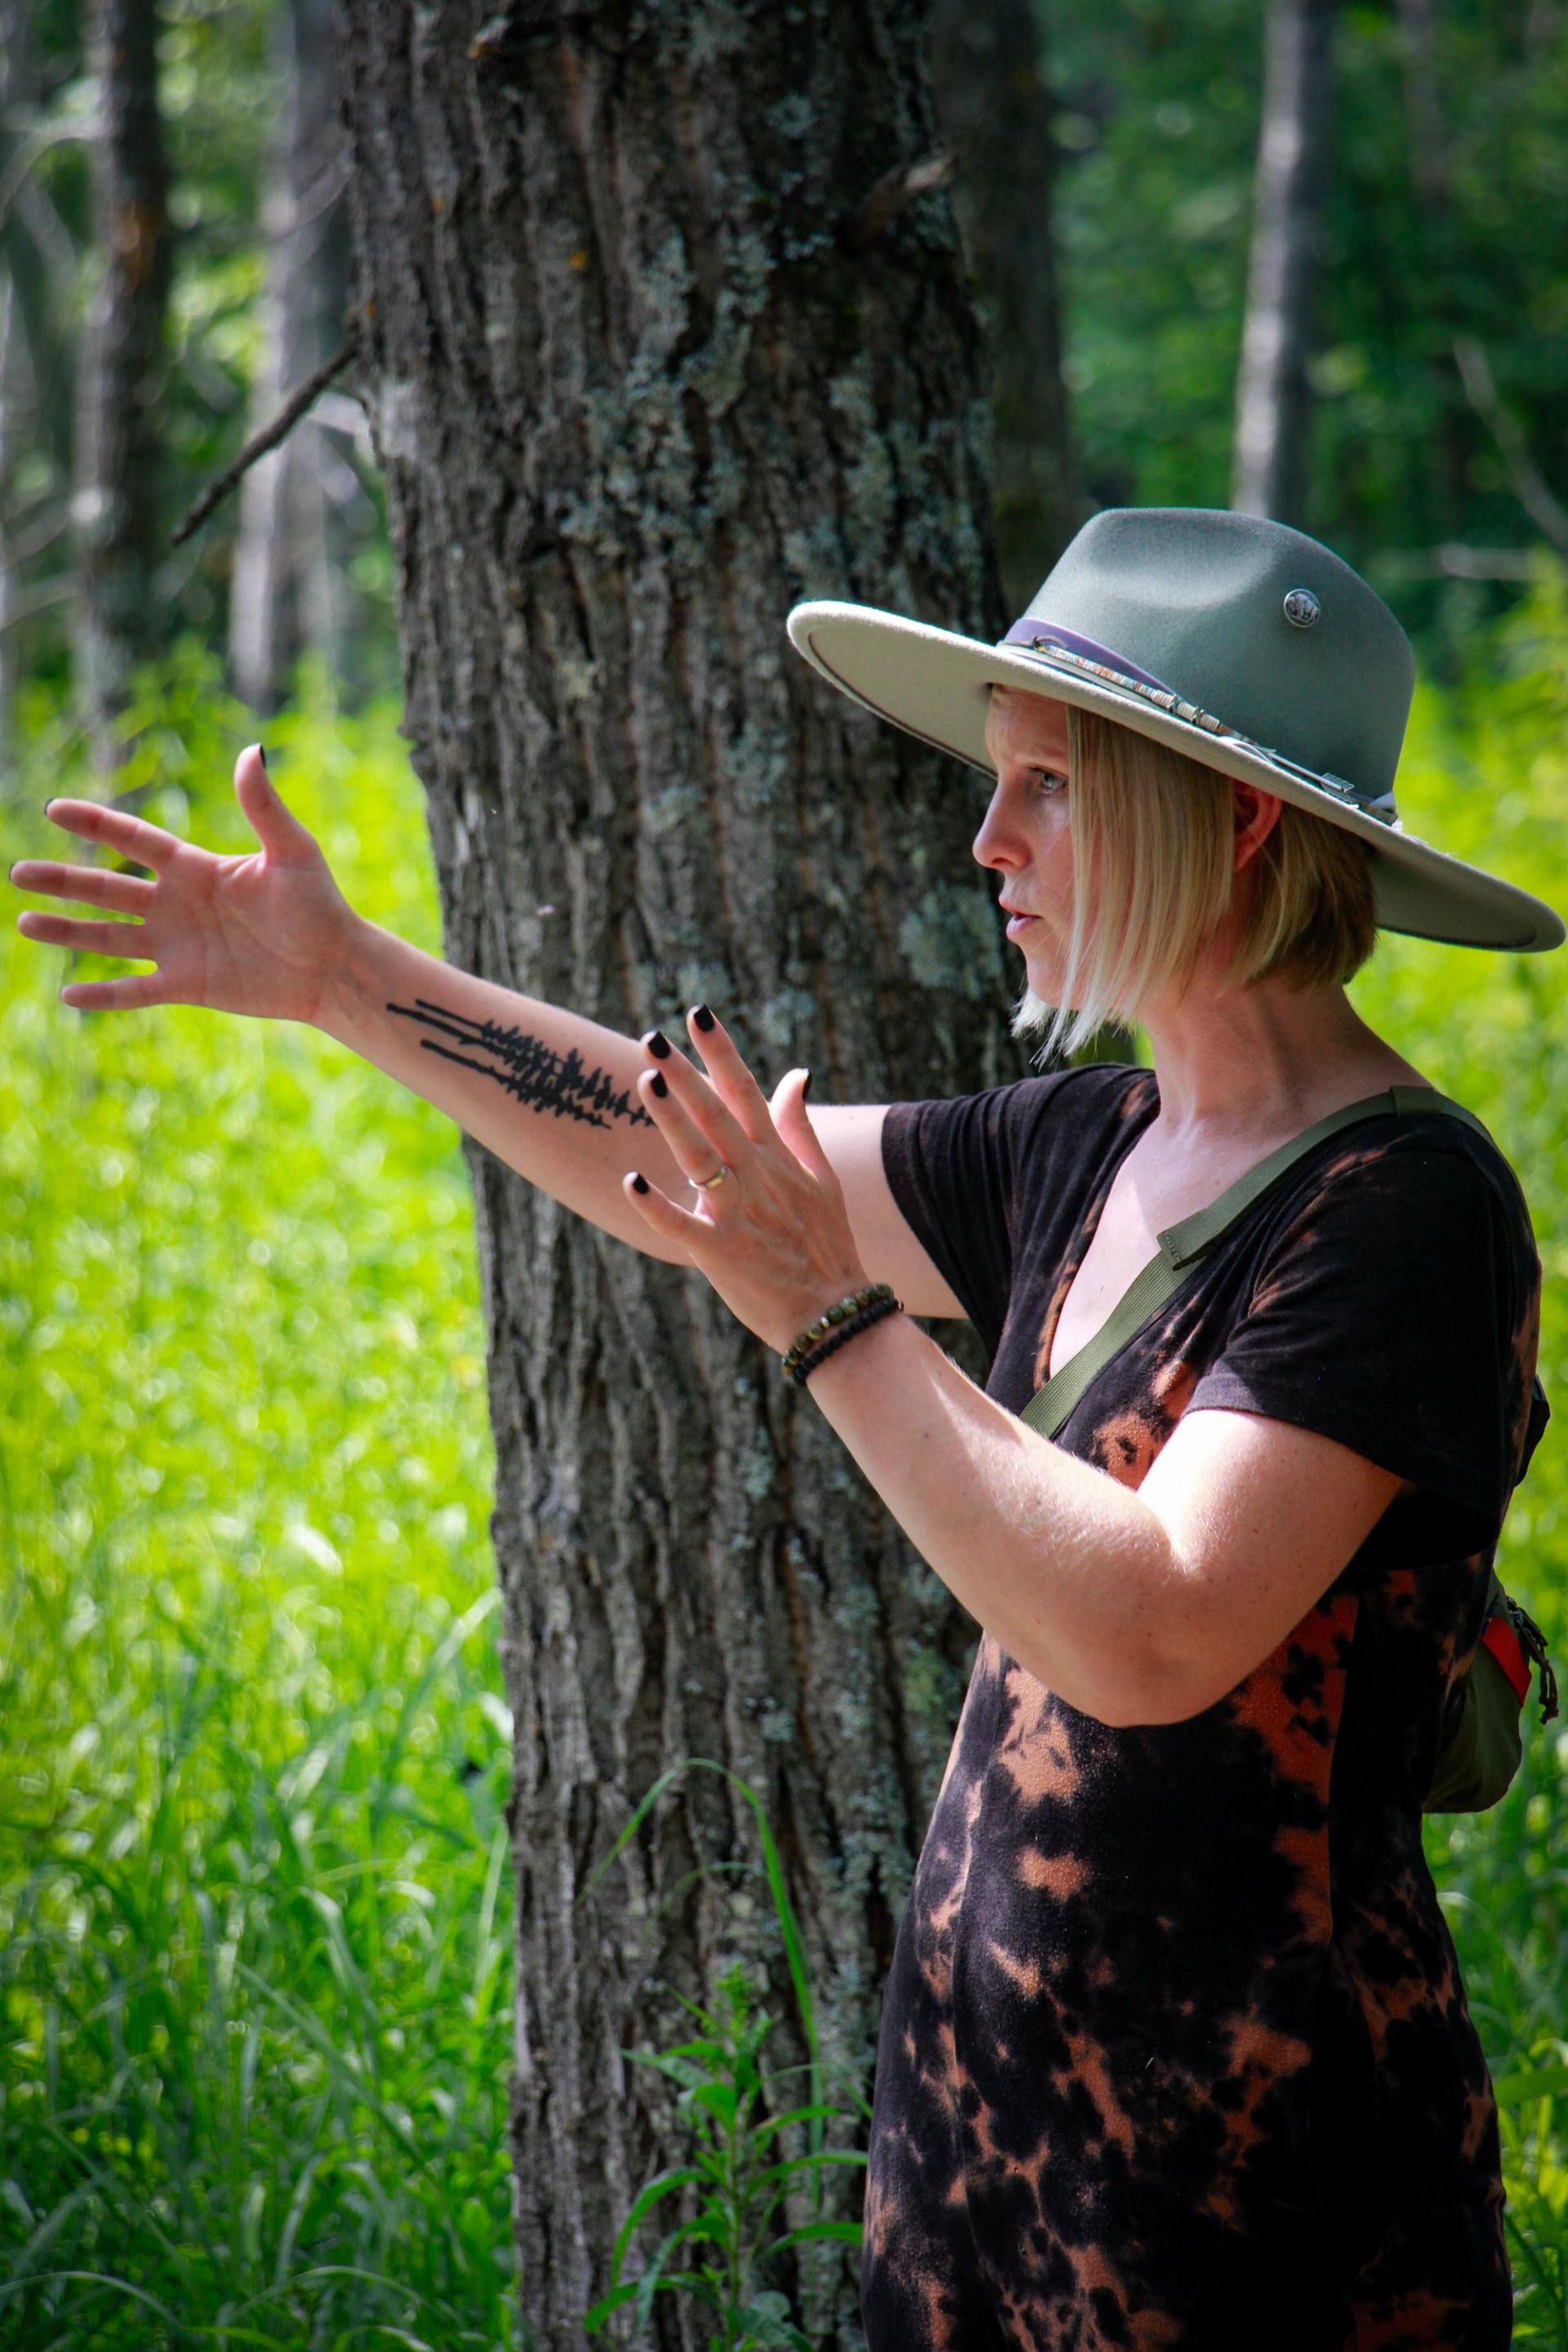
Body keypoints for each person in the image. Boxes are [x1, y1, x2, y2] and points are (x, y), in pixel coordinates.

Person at [11, 506, 1561, 2349]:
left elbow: (1153, 1626)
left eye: (1048, 789)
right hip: (984, 2170)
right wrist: (346, 978)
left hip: (1265, 2219)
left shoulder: (1402, 1205)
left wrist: (824, 1314)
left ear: (1231, 820)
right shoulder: (1090, 1140)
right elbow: (688, 1155)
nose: (987, 842)